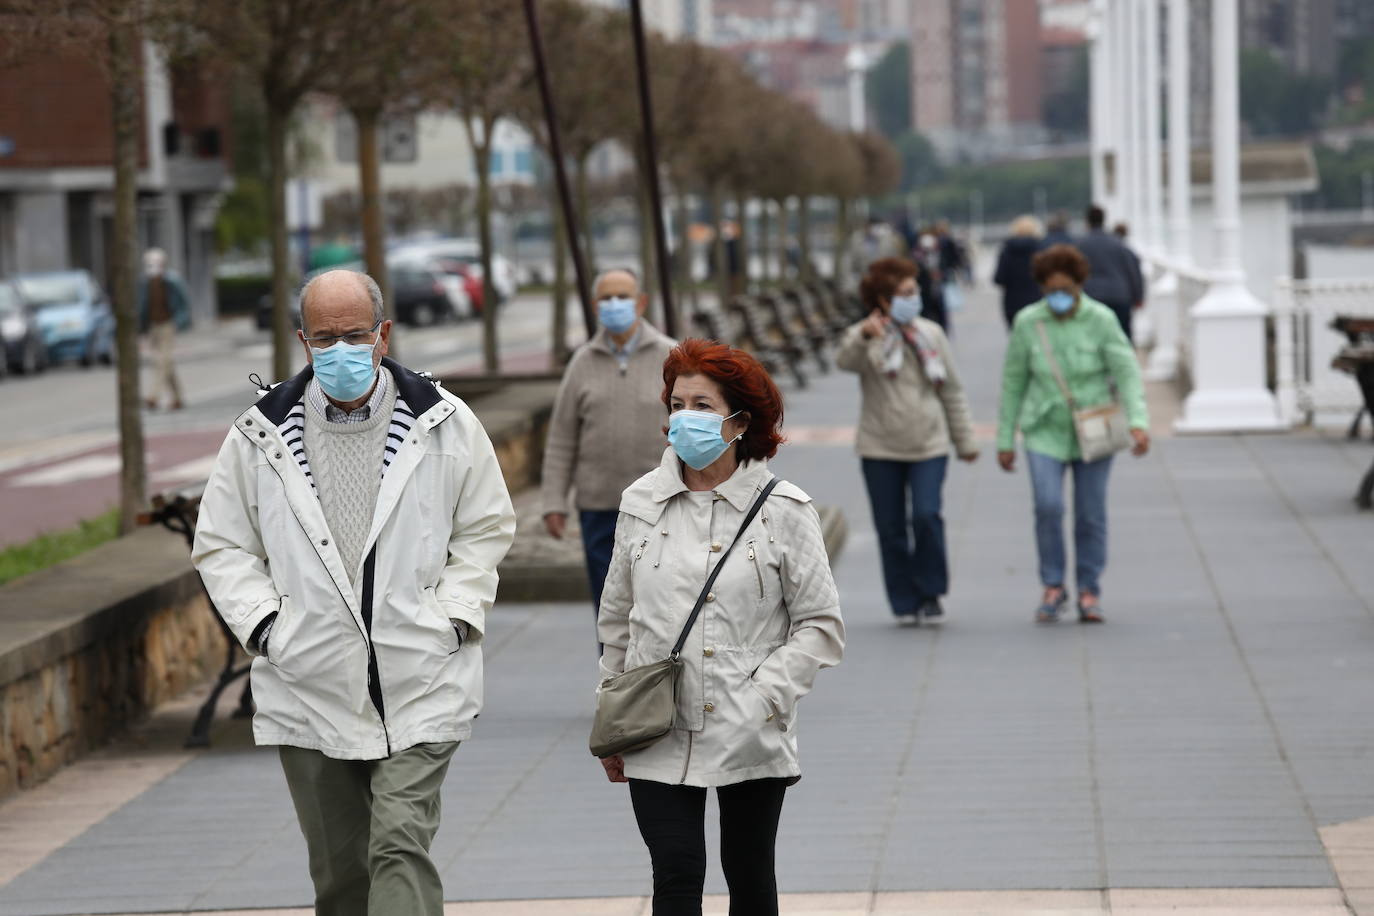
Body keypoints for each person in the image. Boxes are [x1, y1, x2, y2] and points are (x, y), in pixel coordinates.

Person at [192, 270, 516, 916]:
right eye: (325, 336)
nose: (341, 348)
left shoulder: (445, 425)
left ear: (384, 334)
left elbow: (486, 526)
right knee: (342, 882)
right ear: (302, 341)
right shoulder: (260, 436)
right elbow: (221, 543)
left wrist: (452, 617)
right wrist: (267, 630)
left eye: (355, 334)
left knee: (398, 846)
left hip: (421, 676)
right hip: (308, 683)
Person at [597, 338, 844, 916]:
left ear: (740, 421)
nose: (685, 418)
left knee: (749, 872)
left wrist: (766, 693)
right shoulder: (640, 502)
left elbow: (820, 625)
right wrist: (610, 711)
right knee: (676, 872)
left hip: (748, 725)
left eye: (703, 406)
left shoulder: (784, 509)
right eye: (677, 404)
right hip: (656, 722)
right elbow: (616, 620)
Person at [996, 245, 1150, 624]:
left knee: (1090, 513)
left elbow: (1126, 370)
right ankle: (1052, 584)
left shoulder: (1102, 319)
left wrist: (1138, 421)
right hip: (1043, 427)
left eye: (1065, 288)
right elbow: (1014, 379)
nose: (1058, 297)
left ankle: (1088, 588)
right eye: (1050, 290)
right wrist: (1004, 437)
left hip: (1095, 424)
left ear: (1080, 285)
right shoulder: (1029, 322)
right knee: (1048, 505)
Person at [836, 257, 978, 624]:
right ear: (883, 300)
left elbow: (953, 391)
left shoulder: (931, 334)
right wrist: (865, 335)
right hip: (879, 446)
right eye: (904, 293)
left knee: (927, 515)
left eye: (914, 292)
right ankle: (903, 600)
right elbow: (844, 360)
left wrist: (964, 441)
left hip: (930, 443)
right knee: (891, 528)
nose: (913, 298)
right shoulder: (867, 336)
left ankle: (930, 590)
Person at [541, 267, 676, 637]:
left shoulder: (671, 356)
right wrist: (554, 501)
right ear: (595, 305)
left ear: (642, 302)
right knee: (609, 608)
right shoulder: (582, 362)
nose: (615, 305)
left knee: (660, 602)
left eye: (623, 296)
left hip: (660, 506)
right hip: (600, 510)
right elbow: (562, 437)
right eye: (607, 298)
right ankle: (616, 686)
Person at [1075, 204, 1144, 341]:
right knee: (1122, 337)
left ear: (1087, 221)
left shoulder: (1080, 245)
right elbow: (1132, 271)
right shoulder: (1118, 243)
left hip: (1090, 297)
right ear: (1104, 220)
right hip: (1119, 296)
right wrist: (1138, 297)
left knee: (1092, 338)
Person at [138, 248, 192, 410]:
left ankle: (153, 396)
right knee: (165, 362)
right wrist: (141, 329)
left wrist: (179, 322)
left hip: (168, 325)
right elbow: (142, 307)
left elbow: (184, 303)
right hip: (153, 326)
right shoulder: (145, 283)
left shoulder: (172, 281)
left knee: (162, 361)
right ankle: (177, 398)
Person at [994, 215, 1046, 329]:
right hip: (1036, 300)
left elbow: (998, 278)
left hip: (1012, 303)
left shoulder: (1006, 250)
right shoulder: (1041, 249)